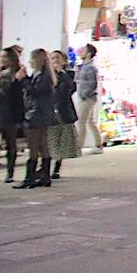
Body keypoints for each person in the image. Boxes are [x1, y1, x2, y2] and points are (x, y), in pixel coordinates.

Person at [15, 49, 56, 189]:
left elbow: (35, 92)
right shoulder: (40, 75)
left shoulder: (44, 76)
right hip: (42, 113)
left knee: (34, 144)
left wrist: (23, 79)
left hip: (37, 113)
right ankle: (44, 176)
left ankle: (30, 177)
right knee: (43, 144)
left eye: (32, 59)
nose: (30, 61)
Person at [0, 47, 24, 183]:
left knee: (10, 144)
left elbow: (12, 91)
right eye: (0, 57)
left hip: (11, 112)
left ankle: (10, 172)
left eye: (5, 57)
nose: (2, 59)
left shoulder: (17, 73)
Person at [46, 51, 80, 179]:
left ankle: (57, 167)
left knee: (61, 140)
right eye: (52, 58)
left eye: (57, 58)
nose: (55, 60)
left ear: (63, 60)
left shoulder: (68, 74)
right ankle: (45, 166)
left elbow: (70, 88)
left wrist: (61, 73)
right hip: (49, 110)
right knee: (50, 139)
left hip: (63, 111)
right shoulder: (47, 75)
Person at [74, 44, 104, 154]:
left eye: (83, 50)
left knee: (81, 122)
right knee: (90, 122)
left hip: (87, 98)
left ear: (88, 54)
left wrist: (84, 95)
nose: (80, 52)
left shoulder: (90, 68)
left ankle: (78, 147)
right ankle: (98, 144)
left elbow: (92, 84)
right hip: (85, 97)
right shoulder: (83, 66)